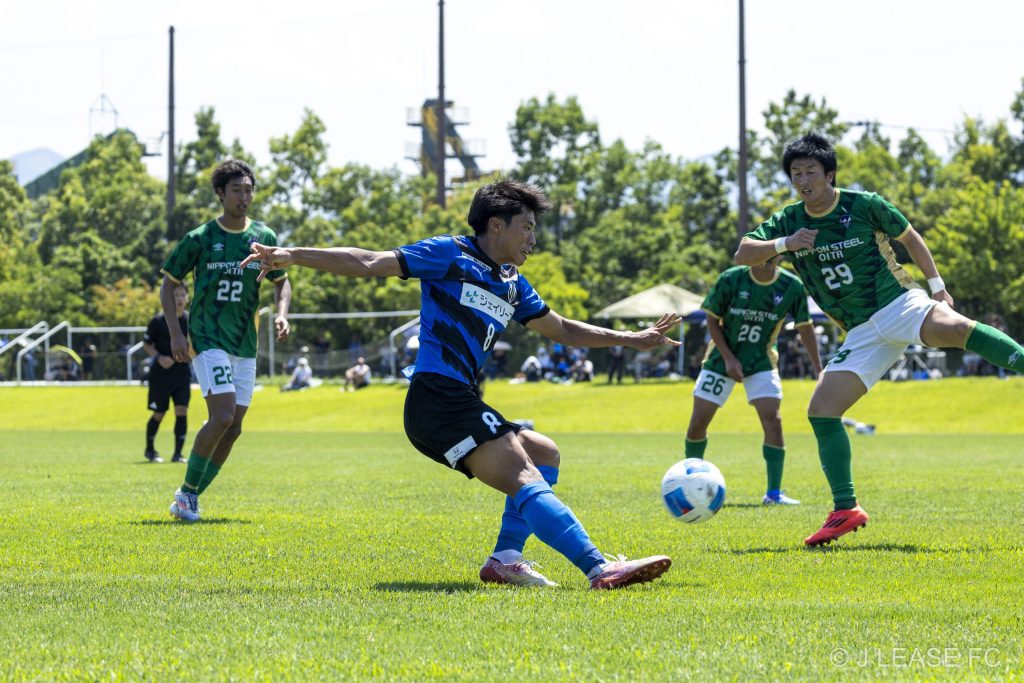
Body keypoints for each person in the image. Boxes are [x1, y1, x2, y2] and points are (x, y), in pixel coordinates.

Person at [242, 179, 678, 590]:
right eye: (527, 228)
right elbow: (370, 261)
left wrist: (630, 338)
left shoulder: (512, 283)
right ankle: (599, 568)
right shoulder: (450, 254)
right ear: (496, 225)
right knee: (524, 474)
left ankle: (505, 558)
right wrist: (293, 255)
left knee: (543, 452)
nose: (533, 239)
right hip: (437, 397)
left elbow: (561, 329)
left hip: (458, 399)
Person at [736, 133, 1024, 546]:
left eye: (811, 172)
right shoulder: (789, 220)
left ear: (829, 174)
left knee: (958, 330)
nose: (803, 180)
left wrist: (937, 287)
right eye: (796, 173)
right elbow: (743, 252)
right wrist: (785, 244)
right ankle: (846, 508)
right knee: (822, 411)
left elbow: (909, 237)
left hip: (898, 304)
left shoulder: (863, 204)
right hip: (860, 332)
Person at [160, 159, 292, 522]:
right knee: (221, 416)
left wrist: (282, 313)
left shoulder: (264, 237)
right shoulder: (200, 238)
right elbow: (169, 284)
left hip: (245, 344)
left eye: (248, 190)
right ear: (221, 194)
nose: (243, 197)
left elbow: (282, 283)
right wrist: (176, 333)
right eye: (236, 190)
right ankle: (187, 495)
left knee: (234, 428)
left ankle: (188, 495)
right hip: (208, 338)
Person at [685, 258, 823, 505]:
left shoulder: (791, 286)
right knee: (698, 422)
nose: (768, 256)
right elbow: (712, 321)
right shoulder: (731, 278)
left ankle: (774, 494)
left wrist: (819, 369)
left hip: (761, 360)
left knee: (773, 421)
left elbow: (805, 327)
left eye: (773, 250)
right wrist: (729, 359)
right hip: (721, 359)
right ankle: (689, 484)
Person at [142, 282, 192, 463]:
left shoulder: (191, 320)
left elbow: (195, 344)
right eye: (175, 295)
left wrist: (191, 354)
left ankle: (178, 454)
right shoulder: (158, 321)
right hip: (161, 375)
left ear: (187, 298)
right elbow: (147, 344)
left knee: (182, 410)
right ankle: (150, 450)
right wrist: (159, 357)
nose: (179, 299)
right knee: (159, 413)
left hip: (182, 373)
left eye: (182, 295)